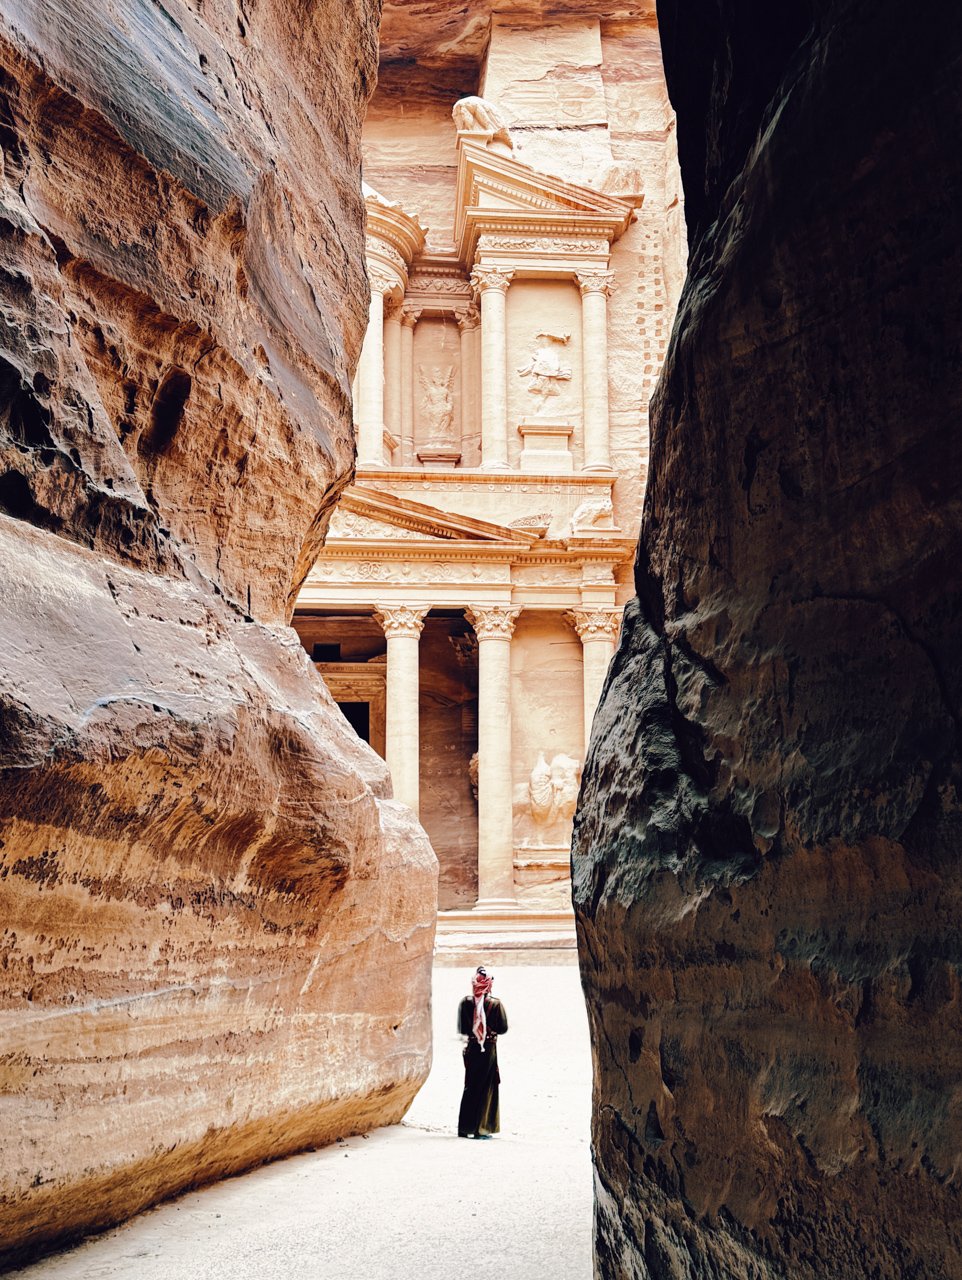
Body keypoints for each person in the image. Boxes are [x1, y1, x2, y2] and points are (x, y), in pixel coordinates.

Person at [457, 965, 508, 1138]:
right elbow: (503, 1028)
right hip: (489, 1050)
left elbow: (463, 1028)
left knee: (470, 1085)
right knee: (486, 1086)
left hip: (471, 1049)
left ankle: (465, 1128)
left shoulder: (465, 1002)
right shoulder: (495, 1004)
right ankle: (482, 1129)